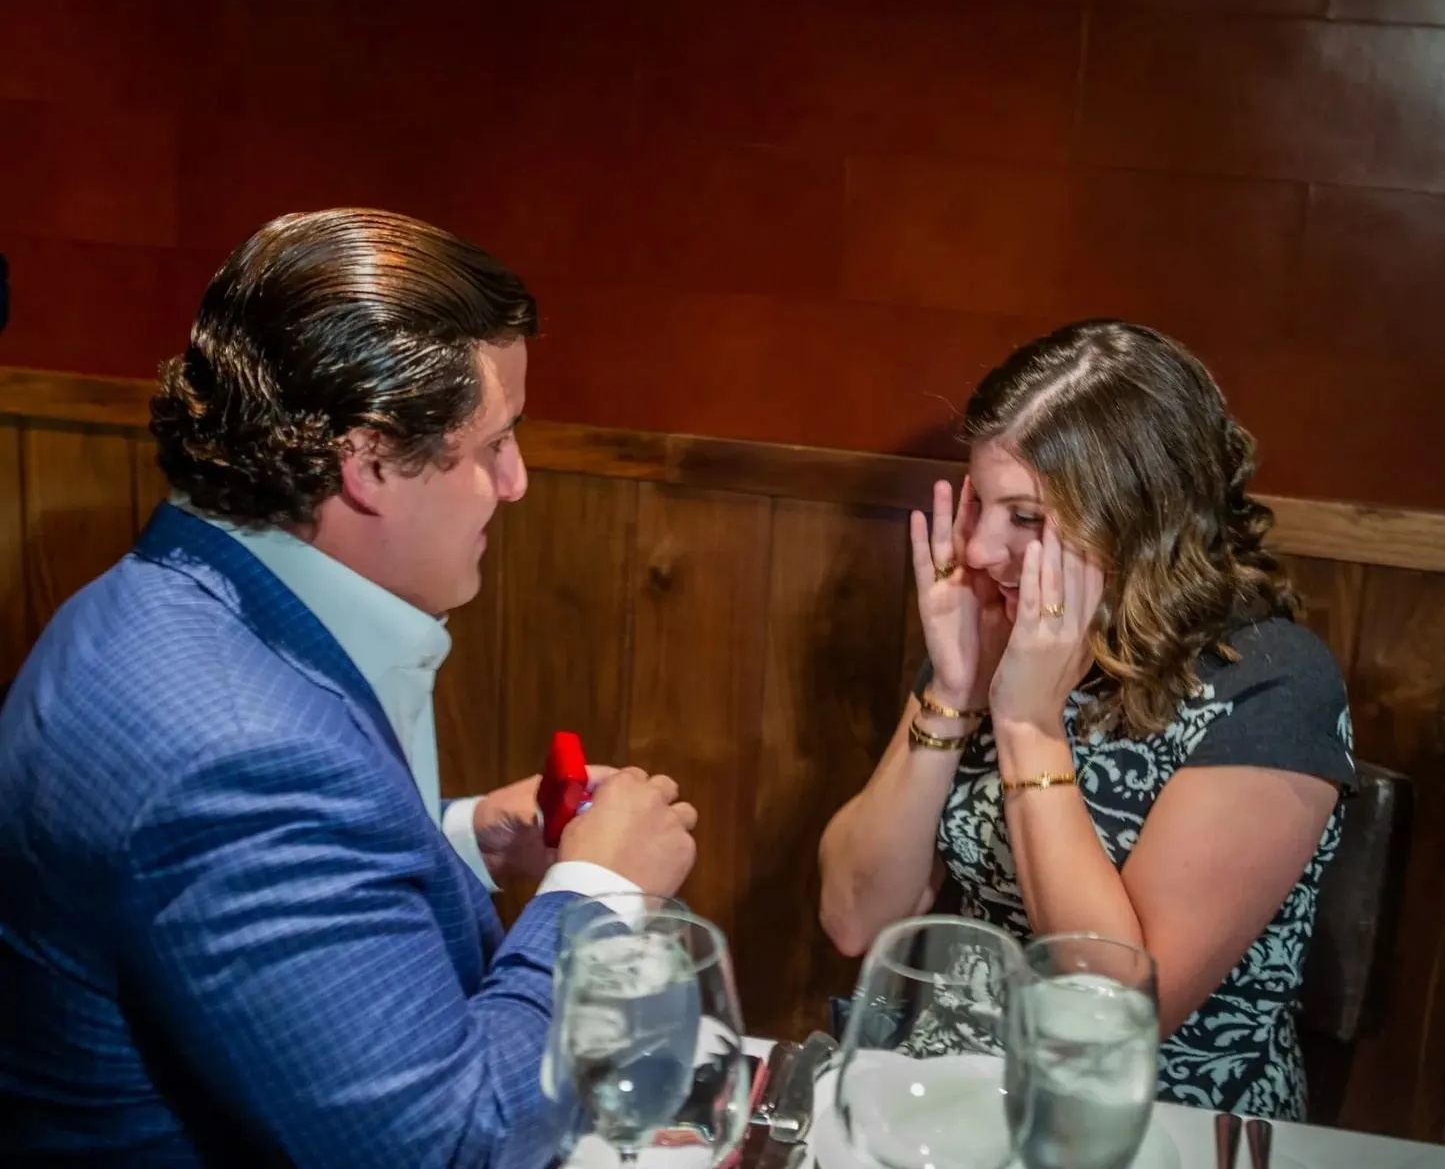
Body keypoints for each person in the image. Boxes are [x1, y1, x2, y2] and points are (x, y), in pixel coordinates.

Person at [0, 209, 698, 1165]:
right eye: (496, 442)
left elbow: (267, 905)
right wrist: (600, 896)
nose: (517, 481)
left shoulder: (149, 601)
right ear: (368, 463)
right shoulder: (242, 755)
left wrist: (457, 839)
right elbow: (446, 1146)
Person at [818, 319, 1355, 1119]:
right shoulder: (1007, 629)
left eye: (1026, 518)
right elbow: (856, 917)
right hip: (953, 1097)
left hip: (1158, 1119)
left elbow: (1118, 1013)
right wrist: (956, 692)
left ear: (1141, 519)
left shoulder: (1272, 684)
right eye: (979, 506)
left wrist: (1029, 726)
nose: (977, 549)